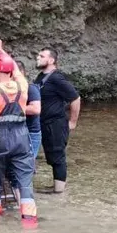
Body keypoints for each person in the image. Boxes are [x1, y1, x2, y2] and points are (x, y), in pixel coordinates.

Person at [0, 43, 37, 225]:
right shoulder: (23, 86)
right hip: (21, 135)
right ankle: (29, 222)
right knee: (25, 181)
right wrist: (1, 50)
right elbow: (14, 67)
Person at [35, 47, 81, 193]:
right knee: (51, 156)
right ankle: (56, 186)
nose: (37, 57)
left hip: (56, 123)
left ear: (51, 60)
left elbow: (75, 98)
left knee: (58, 155)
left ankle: (59, 191)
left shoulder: (57, 78)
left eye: (41, 56)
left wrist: (73, 122)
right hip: (45, 123)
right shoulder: (40, 77)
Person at [16, 60, 43, 162]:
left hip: (31, 133)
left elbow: (36, 109)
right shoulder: (13, 89)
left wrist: (12, 108)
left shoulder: (31, 88)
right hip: (18, 131)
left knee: (26, 164)